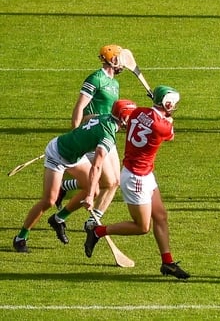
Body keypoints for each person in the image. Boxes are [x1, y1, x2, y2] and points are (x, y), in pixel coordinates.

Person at [83, 85, 190, 280]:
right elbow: (170, 135)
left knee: (161, 215)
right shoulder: (162, 126)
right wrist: (168, 118)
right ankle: (97, 231)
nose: (174, 108)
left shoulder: (138, 111)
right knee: (142, 227)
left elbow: (137, 114)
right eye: (173, 105)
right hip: (136, 178)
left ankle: (168, 263)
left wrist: (159, 113)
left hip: (144, 173)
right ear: (166, 104)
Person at [12, 99, 137, 253]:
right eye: (132, 117)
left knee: (95, 189)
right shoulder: (108, 136)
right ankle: (20, 238)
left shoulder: (105, 116)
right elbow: (97, 166)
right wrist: (90, 197)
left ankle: (58, 219)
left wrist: (79, 138)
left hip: (75, 157)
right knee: (49, 201)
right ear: (124, 118)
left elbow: (87, 118)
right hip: (57, 155)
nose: (134, 121)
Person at [57, 45, 126, 231]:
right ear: (112, 60)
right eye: (120, 58)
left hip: (107, 132)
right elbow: (79, 107)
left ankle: (69, 193)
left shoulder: (115, 83)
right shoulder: (96, 78)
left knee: (115, 182)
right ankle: (74, 218)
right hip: (92, 134)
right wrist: (75, 133)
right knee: (104, 182)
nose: (124, 63)